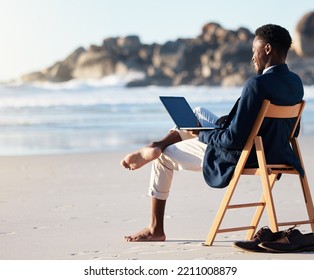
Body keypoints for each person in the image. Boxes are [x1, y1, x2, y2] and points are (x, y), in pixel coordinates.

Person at [121, 24, 304, 242]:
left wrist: (201, 135)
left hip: (244, 154)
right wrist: (230, 122)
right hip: (275, 151)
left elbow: (233, 139)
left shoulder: (257, 84)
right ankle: (157, 144)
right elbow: (294, 129)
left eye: (253, 51)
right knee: (198, 113)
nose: (252, 57)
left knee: (165, 158)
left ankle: (155, 228)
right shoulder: (295, 82)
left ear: (266, 49)